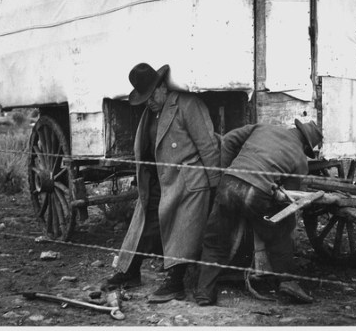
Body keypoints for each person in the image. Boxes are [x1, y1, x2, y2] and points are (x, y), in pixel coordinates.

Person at [103, 63, 220, 303]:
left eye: (150, 96)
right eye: (144, 98)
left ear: (162, 87)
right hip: (162, 180)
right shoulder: (152, 112)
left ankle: (175, 282)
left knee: (181, 228)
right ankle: (130, 271)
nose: (148, 102)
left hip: (189, 182)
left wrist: (215, 186)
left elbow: (208, 146)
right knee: (145, 223)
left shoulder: (188, 105)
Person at [194, 119, 323, 306]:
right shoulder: (300, 159)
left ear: (295, 129)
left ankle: (204, 292)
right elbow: (290, 200)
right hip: (256, 193)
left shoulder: (263, 127)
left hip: (229, 183)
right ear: (306, 145)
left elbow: (228, 140)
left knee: (216, 238)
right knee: (279, 232)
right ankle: (287, 281)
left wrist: (226, 170)